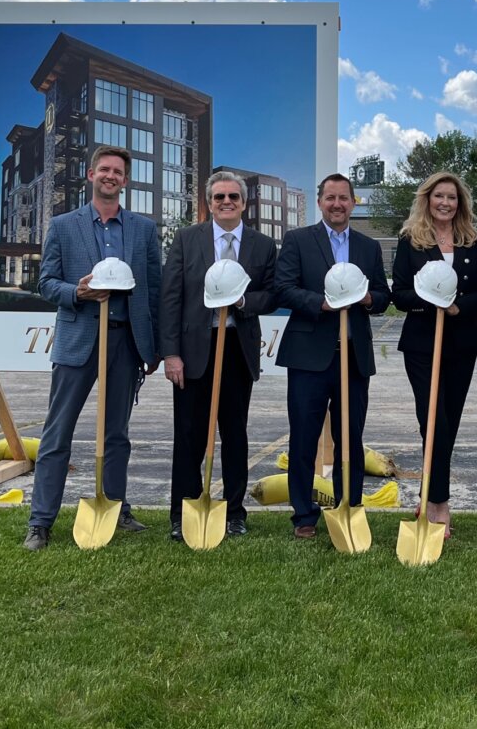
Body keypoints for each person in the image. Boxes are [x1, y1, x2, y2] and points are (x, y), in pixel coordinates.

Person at [25, 145, 161, 551]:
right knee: (57, 433)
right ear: (90, 175)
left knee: (116, 433)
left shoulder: (143, 229)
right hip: (78, 339)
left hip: (125, 340)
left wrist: (150, 347)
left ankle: (115, 507)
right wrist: (77, 292)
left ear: (125, 180)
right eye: (104, 169)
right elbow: (46, 283)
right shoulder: (64, 226)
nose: (111, 176)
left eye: (118, 172)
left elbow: (152, 288)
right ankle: (41, 521)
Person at [160, 170, 278, 540]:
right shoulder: (186, 240)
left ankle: (234, 511)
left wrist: (244, 301)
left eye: (233, 197)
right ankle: (183, 512)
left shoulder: (261, 245)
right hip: (194, 351)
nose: (226, 202)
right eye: (219, 197)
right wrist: (171, 354)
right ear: (208, 203)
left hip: (237, 351)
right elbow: (170, 298)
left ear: (244, 203)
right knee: (189, 435)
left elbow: (273, 294)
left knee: (235, 434)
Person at [274, 173, 389, 539]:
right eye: (330, 198)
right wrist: (320, 303)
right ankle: (304, 517)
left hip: (353, 357)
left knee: (350, 438)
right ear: (320, 202)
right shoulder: (297, 241)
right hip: (309, 356)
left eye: (344, 198)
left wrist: (369, 298)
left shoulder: (369, 248)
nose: (337, 204)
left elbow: (383, 296)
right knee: (303, 438)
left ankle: (348, 506)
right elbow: (284, 289)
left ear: (353, 203)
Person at [390, 170, 477, 536]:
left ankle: (429, 496)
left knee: (450, 420)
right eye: (439, 197)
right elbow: (399, 293)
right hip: (420, 342)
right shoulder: (410, 241)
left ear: (459, 203)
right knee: (433, 421)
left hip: (462, 342)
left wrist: (456, 308)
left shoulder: (472, 241)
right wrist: (430, 301)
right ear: (427, 200)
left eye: (452, 197)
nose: (445, 203)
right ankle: (439, 504)